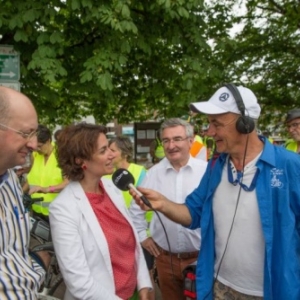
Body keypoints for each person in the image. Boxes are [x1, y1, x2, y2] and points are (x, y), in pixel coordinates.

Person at [130, 85, 300, 300]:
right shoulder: (216, 166)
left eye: (216, 123)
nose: (209, 131)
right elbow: (193, 213)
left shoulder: (290, 165)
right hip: (220, 288)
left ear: (245, 123)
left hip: (272, 291)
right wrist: (163, 204)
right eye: (209, 123)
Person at [49, 123, 152, 300]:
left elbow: (133, 244)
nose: (112, 155)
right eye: (103, 150)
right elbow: (79, 282)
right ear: (80, 160)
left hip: (134, 293)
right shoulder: (63, 208)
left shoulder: (113, 187)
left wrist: (144, 283)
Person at [129, 118, 208, 300]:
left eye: (177, 139)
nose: (171, 145)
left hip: (201, 259)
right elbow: (135, 211)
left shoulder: (206, 171)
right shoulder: (153, 174)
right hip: (166, 261)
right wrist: (143, 237)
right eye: (166, 140)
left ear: (190, 141)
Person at [0, 86, 49, 298]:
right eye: (26, 133)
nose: (34, 144)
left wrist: (37, 264)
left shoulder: (10, 176)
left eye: (35, 134)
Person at [108, 135, 155, 300]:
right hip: (117, 239)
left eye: (112, 150)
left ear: (124, 153)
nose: (109, 154)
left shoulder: (141, 172)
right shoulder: (106, 176)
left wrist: (145, 235)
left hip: (141, 238)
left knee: (146, 281)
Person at [25, 124, 69, 217]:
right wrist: (19, 193)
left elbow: (68, 183)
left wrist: (47, 189)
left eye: (40, 146)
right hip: (37, 211)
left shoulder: (62, 155)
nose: (37, 149)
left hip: (58, 213)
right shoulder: (35, 155)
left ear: (48, 140)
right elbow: (30, 178)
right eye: (35, 146)